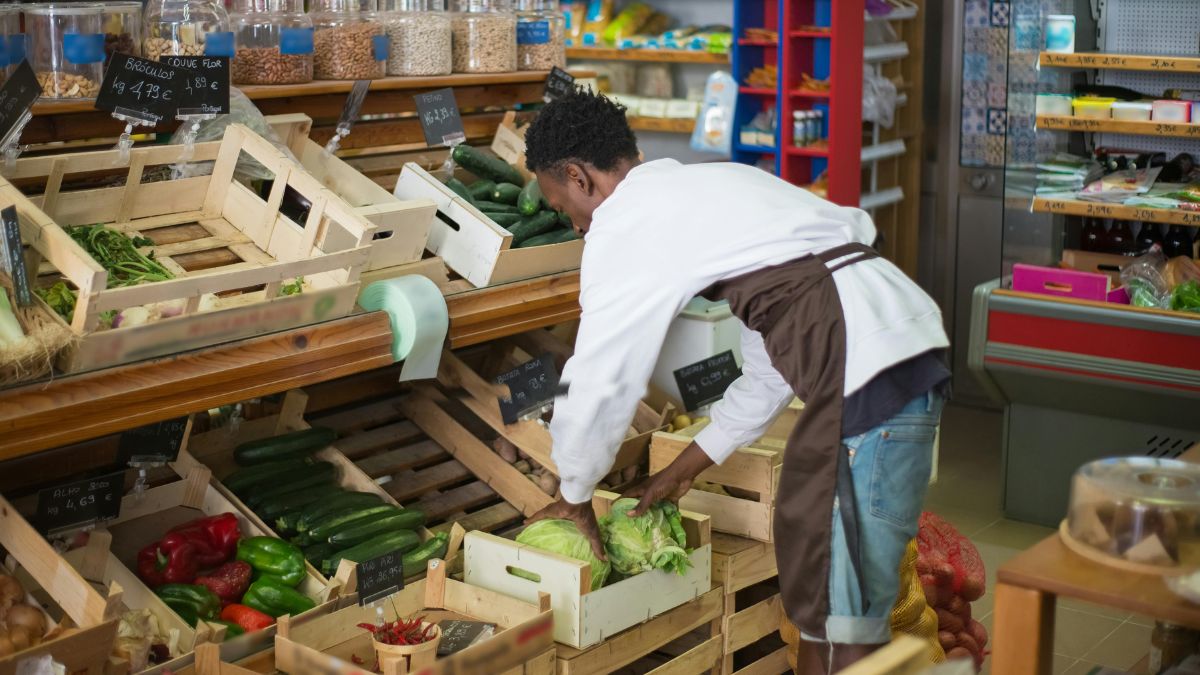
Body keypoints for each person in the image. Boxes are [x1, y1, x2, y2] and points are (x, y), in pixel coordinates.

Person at [523, 89, 950, 673]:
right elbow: (773, 365)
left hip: (865, 370)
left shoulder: (626, 223)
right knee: (819, 556)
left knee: (837, 601)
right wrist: (686, 466)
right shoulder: (710, 187)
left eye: (562, 207)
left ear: (578, 177)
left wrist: (574, 496)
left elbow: (600, 378)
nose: (573, 226)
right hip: (894, 349)